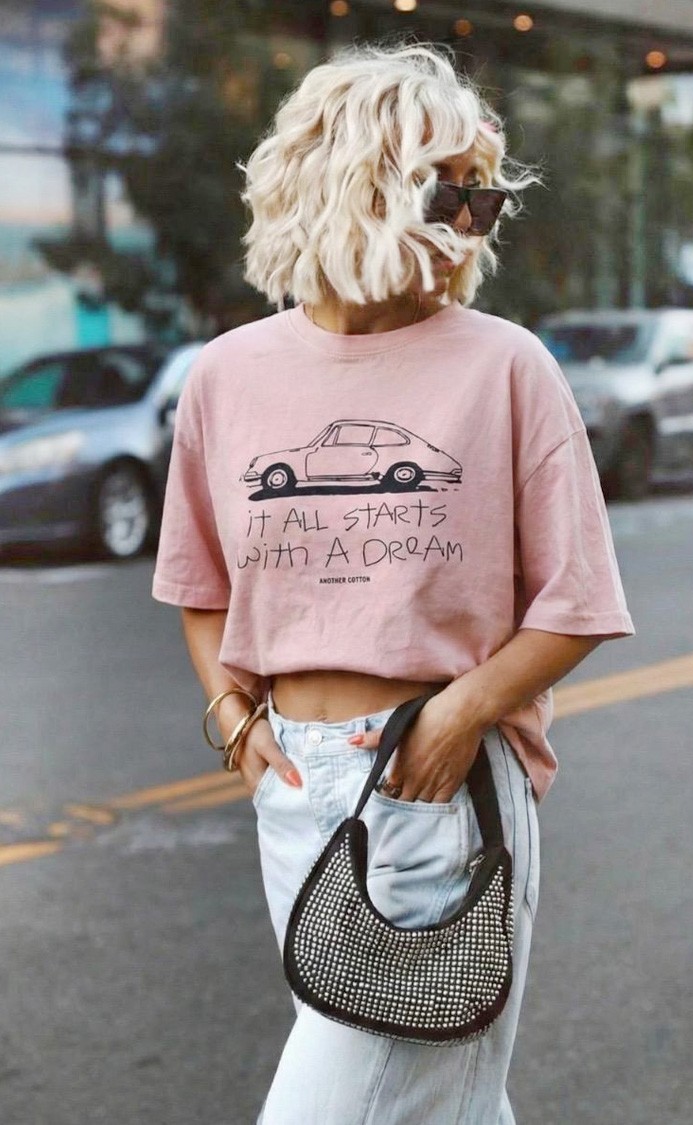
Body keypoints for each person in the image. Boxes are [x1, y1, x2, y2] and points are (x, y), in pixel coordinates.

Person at [152, 42, 634, 1124]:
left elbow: (578, 603)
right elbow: (199, 582)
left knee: (348, 1101)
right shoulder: (227, 375)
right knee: (434, 1098)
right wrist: (236, 721)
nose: (470, 220)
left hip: (436, 782)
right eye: (445, 189)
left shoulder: (506, 366)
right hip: (293, 790)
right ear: (354, 182)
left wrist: (458, 718)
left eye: (483, 196)